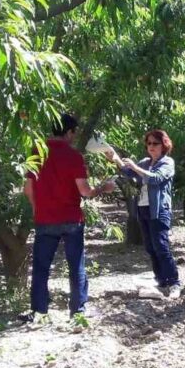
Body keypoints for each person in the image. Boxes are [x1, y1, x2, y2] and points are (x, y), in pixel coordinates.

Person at [22, 113, 112, 321]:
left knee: (41, 267)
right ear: (69, 132)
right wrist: (103, 188)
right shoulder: (73, 156)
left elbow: (28, 188)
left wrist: (37, 208)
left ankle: (39, 311)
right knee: (75, 266)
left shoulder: (36, 153)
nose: (74, 137)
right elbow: (85, 191)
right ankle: (77, 312)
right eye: (74, 133)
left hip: (45, 219)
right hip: (71, 218)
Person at [108, 129, 181, 299]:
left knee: (161, 246)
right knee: (150, 247)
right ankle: (161, 280)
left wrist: (134, 167)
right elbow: (129, 172)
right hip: (143, 208)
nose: (151, 146)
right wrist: (114, 158)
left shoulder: (167, 162)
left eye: (155, 143)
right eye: (149, 143)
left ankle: (174, 283)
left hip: (159, 210)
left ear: (164, 144)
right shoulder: (145, 162)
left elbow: (155, 179)